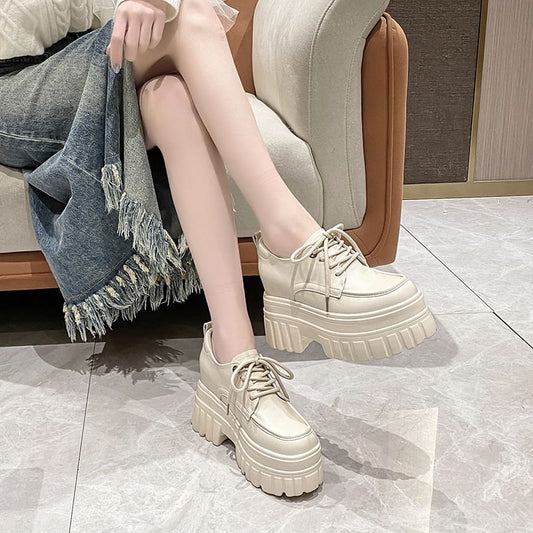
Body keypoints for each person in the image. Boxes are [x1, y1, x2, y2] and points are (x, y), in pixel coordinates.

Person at [0, 0, 436, 497]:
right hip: (9, 88)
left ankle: (232, 356)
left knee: (171, 99)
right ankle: (292, 241)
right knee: (187, 17)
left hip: (70, 56)